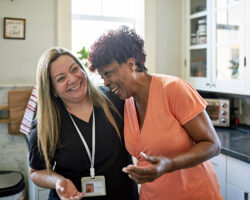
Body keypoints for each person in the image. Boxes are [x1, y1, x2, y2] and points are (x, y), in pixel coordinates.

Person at [88, 26, 223, 200]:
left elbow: (212, 145)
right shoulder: (126, 101)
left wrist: (169, 164)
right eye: (102, 76)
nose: (105, 83)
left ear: (131, 64)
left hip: (194, 193)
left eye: (108, 73)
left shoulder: (173, 89)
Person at [28, 47, 139, 200]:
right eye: (61, 78)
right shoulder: (46, 123)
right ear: (52, 90)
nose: (73, 79)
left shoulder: (115, 100)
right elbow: (35, 172)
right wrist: (58, 181)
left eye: (75, 69)